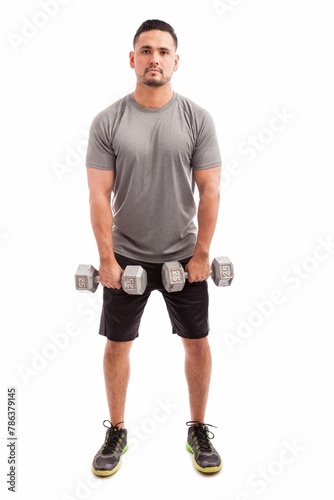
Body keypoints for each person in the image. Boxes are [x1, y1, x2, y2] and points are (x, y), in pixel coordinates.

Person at [85, 19, 222, 476]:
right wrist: (106, 260)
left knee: (197, 342)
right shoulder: (108, 121)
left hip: (185, 254)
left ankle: (198, 428)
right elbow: (98, 196)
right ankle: (117, 431)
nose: (154, 59)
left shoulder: (197, 118)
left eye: (163, 52)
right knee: (117, 345)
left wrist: (202, 255)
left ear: (176, 61)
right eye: (145, 51)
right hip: (125, 255)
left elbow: (211, 190)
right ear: (132, 59)